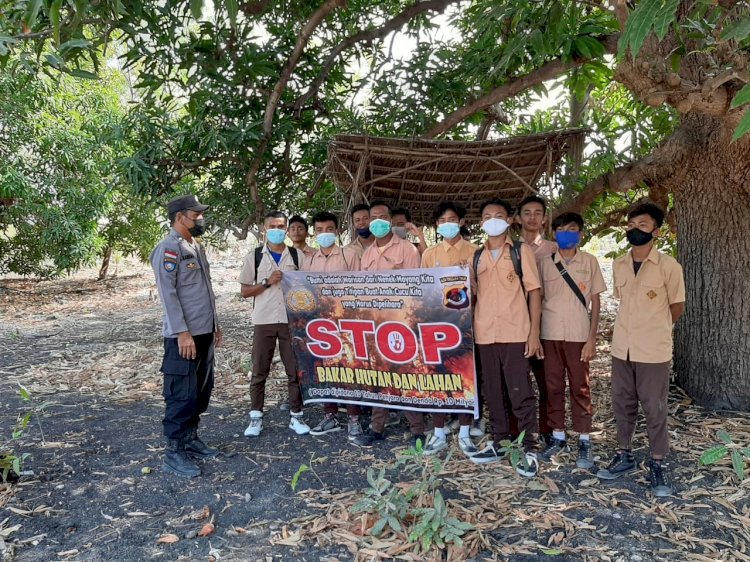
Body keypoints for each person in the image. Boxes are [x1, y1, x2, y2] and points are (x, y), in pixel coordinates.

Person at [597, 203, 685, 497]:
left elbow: (677, 306)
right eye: (632, 224)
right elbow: (624, 302)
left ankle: (657, 462)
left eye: (643, 225)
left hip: (653, 351)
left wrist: (655, 329)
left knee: (654, 406)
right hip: (623, 347)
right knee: (622, 403)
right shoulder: (619, 264)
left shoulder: (669, 266)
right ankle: (624, 454)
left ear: (656, 231)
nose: (635, 229)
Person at [469, 198, 542, 477]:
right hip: (485, 333)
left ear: (510, 220)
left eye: (499, 215)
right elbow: (469, 295)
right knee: (492, 390)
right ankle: (500, 441)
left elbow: (534, 292)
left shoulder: (521, 252)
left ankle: (530, 447)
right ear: (481, 223)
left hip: (514, 331)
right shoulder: (476, 256)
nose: (493, 220)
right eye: (488, 216)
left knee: (520, 390)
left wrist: (533, 333)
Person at [151, 194, 223, 478]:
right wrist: (182, 332)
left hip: (204, 331)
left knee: (200, 390)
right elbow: (168, 295)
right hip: (184, 335)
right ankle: (174, 450)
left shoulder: (195, 246)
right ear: (180, 216)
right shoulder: (168, 249)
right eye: (196, 215)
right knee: (181, 392)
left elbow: (204, 290)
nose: (200, 219)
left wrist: (216, 325)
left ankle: (191, 438)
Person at [538, 212, 606, 469]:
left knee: (581, 387)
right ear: (553, 234)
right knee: (553, 387)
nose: (567, 233)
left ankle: (585, 439)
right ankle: (557, 436)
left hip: (578, 335)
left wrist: (592, 339)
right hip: (550, 334)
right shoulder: (545, 263)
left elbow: (596, 302)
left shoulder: (589, 262)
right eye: (562, 229)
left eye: (573, 229)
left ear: (581, 234)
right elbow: (539, 300)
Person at [359, 199, 425, 447]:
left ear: (389, 220)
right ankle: (377, 428)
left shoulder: (408, 249)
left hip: (402, 322)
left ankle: (417, 429)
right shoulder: (368, 254)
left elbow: (416, 287)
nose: (378, 222)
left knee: (407, 375)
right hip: (376, 323)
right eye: (373, 217)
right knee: (379, 377)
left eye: (382, 217)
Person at [239, 211, 311, 438]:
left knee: (294, 371)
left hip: (291, 321)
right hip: (264, 320)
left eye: (281, 226)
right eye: (272, 226)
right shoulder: (255, 256)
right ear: (264, 229)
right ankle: (255, 418)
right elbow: (244, 291)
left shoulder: (297, 255)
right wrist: (267, 282)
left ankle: (296, 416)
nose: (277, 230)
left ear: (286, 228)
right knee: (260, 371)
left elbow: (307, 286)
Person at [304, 211, 370, 446]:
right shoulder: (309, 259)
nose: (324, 234)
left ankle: (353, 418)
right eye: (319, 230)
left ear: (338, 231)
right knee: (325, 368)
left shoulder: (349, 255)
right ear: (314, 233)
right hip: (320, 324)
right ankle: (329, 415)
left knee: (349, 367)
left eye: (329, 229)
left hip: (347, 321)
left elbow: (361, 285)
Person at [420, 202, 480, 458]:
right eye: (442, 220)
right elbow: (421, 291)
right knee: (437, 377)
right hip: (436, 325)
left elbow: (481, 289)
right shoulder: (429, 254)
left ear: (462, 222)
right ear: (436, 225)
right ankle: (439, 431)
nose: (448, 224)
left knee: (466, 378)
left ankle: (465, 433)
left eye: (452, 219)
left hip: (467, 325)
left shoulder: (476, 251)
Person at [516, 195, 557, 444]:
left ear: (544, 219)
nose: (532, 217)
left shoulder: (554, 249)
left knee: (547, 381)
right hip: (517, 324)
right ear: (518, 218)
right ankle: (519, 430)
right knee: (518, 382)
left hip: (548, 324)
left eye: (537, 212)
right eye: (527, 212)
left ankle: (548, 428)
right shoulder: (509, 249)